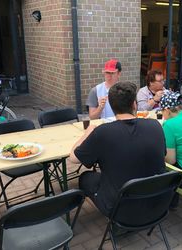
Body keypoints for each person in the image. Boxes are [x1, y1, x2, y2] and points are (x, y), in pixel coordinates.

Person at [70, 81, 166, 216]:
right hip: (157, 203)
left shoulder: (102, 132)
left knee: (86, 178)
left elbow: (73, 158)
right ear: (134, 104)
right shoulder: (155, 125)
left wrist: (87, 133)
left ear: (111, 105)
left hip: (120, 209)